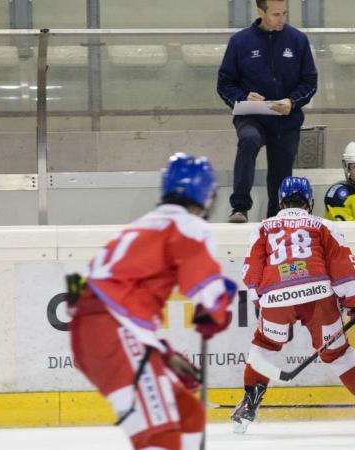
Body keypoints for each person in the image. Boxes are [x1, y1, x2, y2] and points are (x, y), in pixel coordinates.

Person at [68, 153, 235, 450]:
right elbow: (210, 296)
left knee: (188, 413)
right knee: (161, 436)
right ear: (207, 195)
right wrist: (217, 309)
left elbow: (107, 294)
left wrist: (163, 352)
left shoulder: (142, 225)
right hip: (113, 333)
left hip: (95, 334)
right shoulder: (188, 226)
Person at [231, 175, 355, 433]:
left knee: (265, 345)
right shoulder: (322, 225)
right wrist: (353, 302)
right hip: (318, 295)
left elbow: (251, 272)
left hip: (276, 295)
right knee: (338, 353)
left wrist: (261, 301)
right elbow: (342, 267)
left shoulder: (264, 227)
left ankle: (247, 408)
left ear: (281, 201)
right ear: (310, 201)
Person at [217, 0, 318, 223]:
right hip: (252, 116)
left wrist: (292, 102)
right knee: (249, 140)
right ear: (260, 12)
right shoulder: (240, 41)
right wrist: (243, 98)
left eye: (284, 13)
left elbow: (310, 82)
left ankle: (275, 218)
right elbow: (225, 84)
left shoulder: (298, 40)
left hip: (286, 119)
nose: (282, 19)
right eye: (275, 14)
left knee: (280, 174)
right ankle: (240, 207)